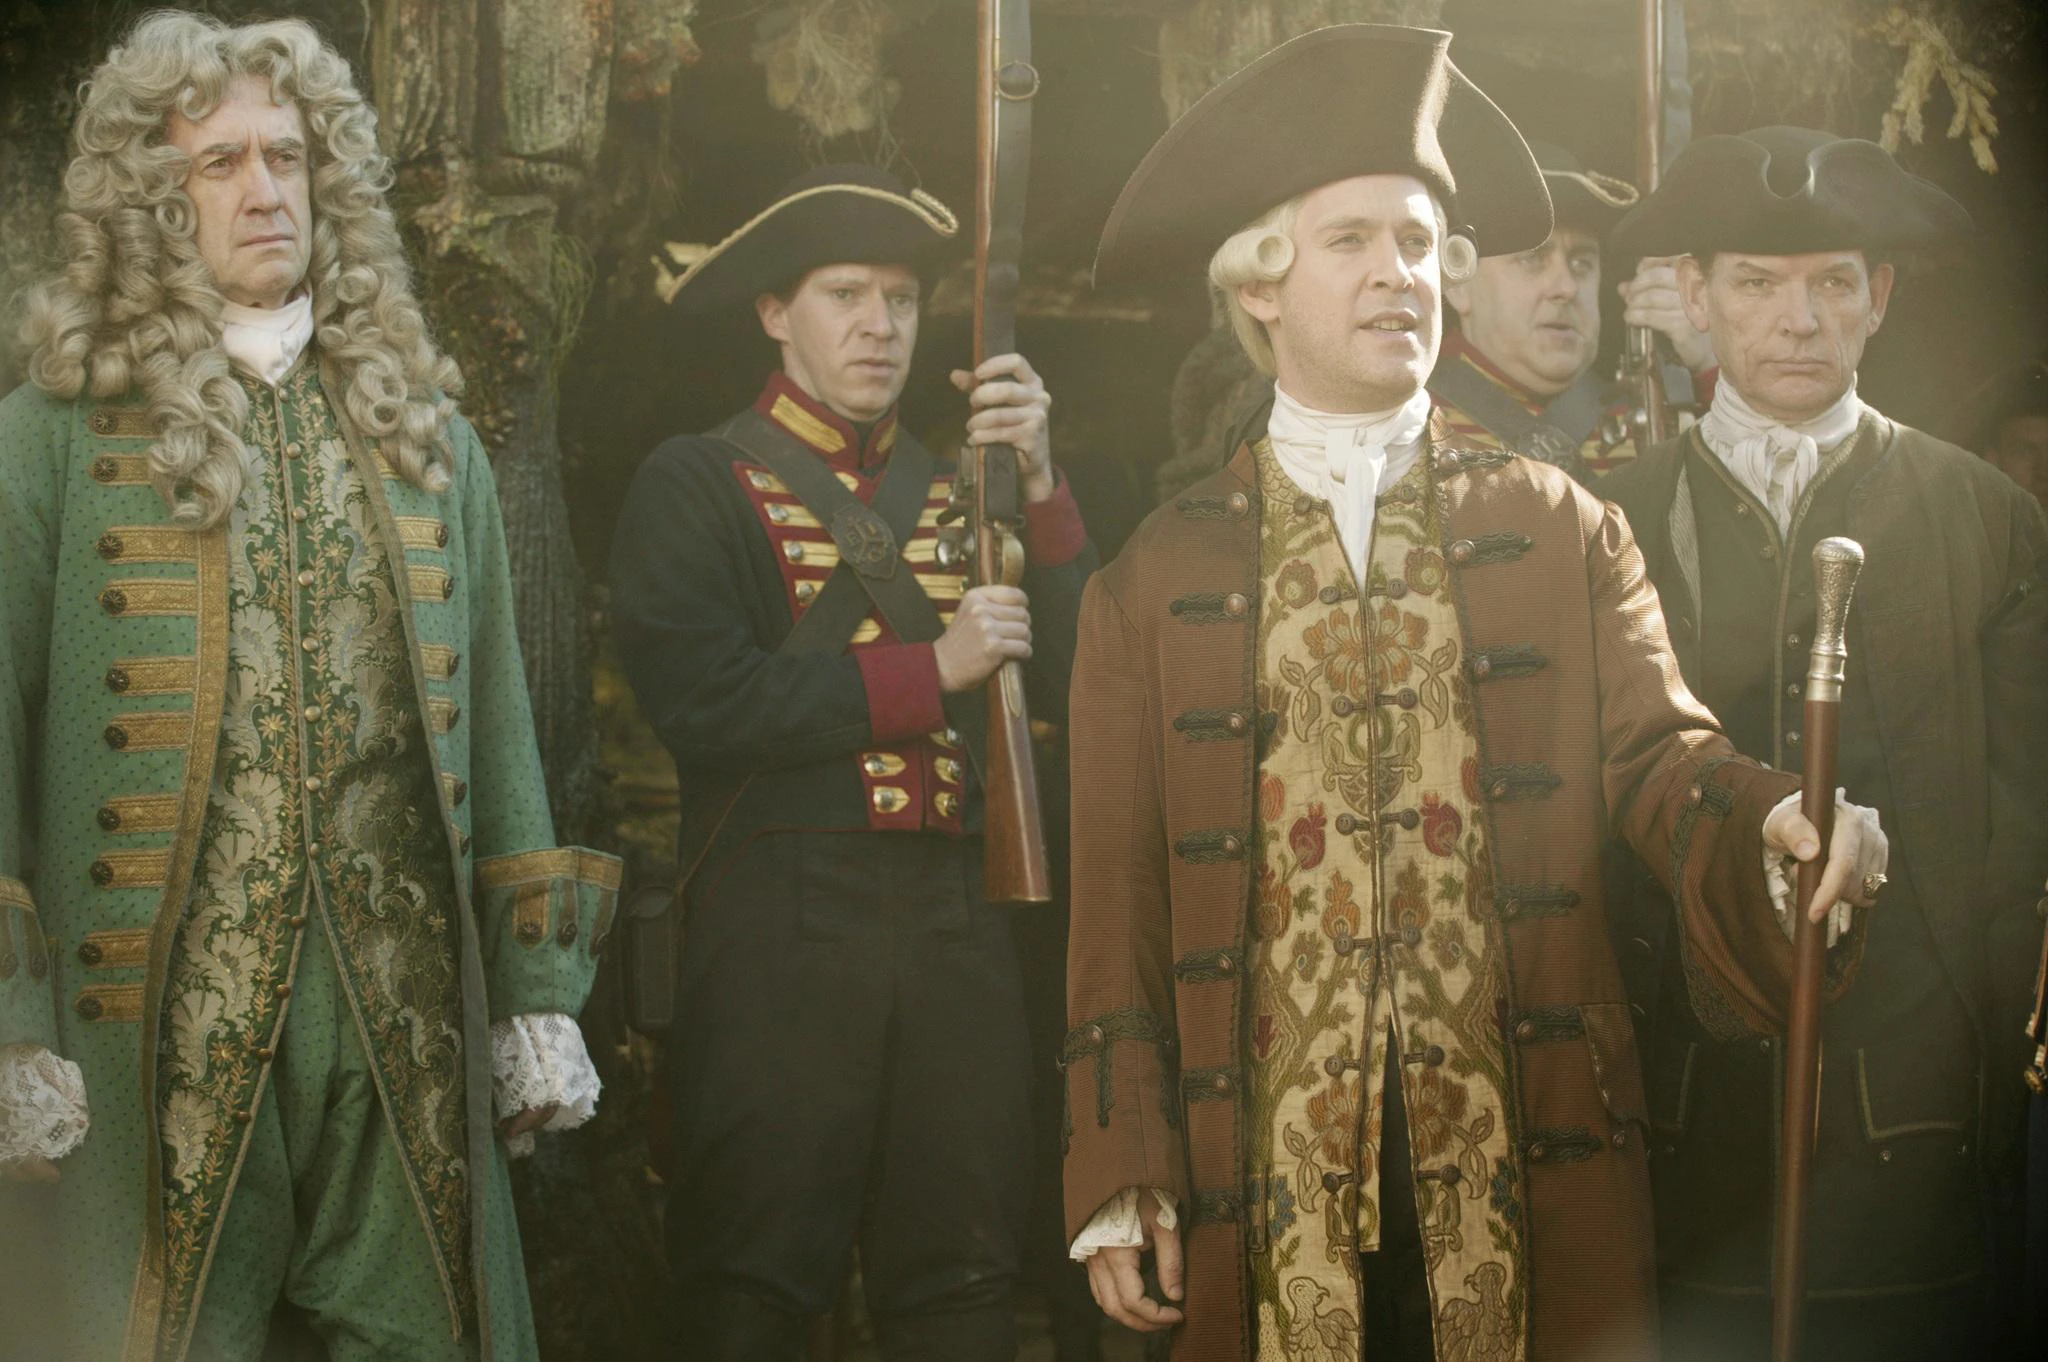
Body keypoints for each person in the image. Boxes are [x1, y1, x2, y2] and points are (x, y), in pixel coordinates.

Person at [1059, 26, 1883, 1362]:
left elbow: (1663, 761)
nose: (1400, 272)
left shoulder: (1563, 524)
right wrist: (1121, 1159)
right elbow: (1118, 902)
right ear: (1259, 285)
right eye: (1350, 241)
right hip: (1260, 1169)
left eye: (1421, 241)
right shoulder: (1151, 581)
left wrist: (1771, 823)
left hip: (1520, 1146)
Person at [0, 14, 620, 1362]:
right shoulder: (50, 438)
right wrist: (9, 1024)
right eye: (218, 161)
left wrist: (532, 992)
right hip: (152, 1031)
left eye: (286, 155)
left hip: (401, 1022)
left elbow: (498, 725)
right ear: (149, 199)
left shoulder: (428, 438)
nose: (264, 188)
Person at [609, 163, 1096, 1360]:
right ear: (774, 313)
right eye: (844, 295)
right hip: (779, 924)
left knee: (962, 1279)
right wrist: (933, 672)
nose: (880, 325)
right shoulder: (696, 479)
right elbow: (706, 702)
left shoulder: (969, 490)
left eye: (900, 298)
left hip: (957, 921)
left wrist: (1039, 483)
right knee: (752, 1279)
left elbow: (1095, 682)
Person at [1600, 126, 2048, 1362]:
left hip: (1912, 1123)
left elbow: (2024, 825)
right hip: (1679, 1110)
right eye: (1754, 281)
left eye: (1831, 283)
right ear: (1692, 295)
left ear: (1877, 297)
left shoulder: (1986, 518)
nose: (1796, 320)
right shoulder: (1611, 518)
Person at [1431, 140, 1713, 480]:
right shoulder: (1411, 419)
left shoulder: (1658, 417)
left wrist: (1708, 370)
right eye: (1532, 259)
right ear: (1459, 285)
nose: (1566, 287)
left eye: (1582, 263)